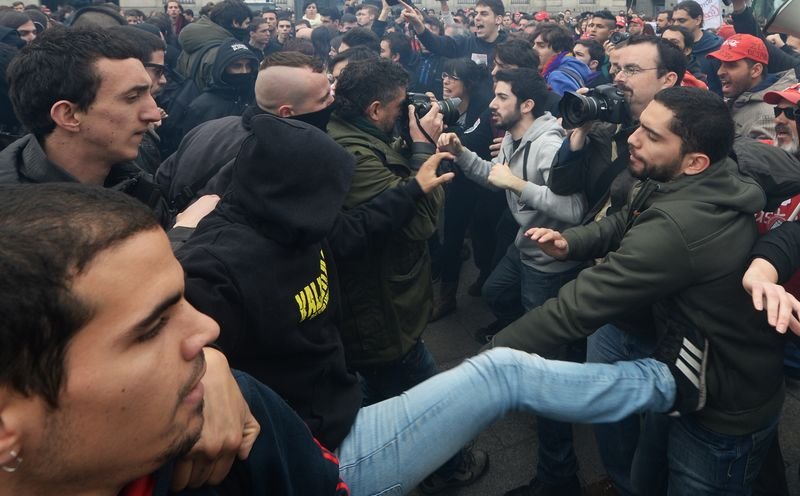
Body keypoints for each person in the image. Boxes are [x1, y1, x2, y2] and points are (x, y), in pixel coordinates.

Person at [0, 181, 697, 496]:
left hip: (330, 427)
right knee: (501, 373)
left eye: (183, 301)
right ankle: (669, 384)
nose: (209, 332)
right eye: (153, 325)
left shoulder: (233, 402)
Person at [491, 86, 787, 495]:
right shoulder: (672, 177)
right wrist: (573, 242)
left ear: (696, 161)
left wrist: (485, 367)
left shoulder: (678, 226)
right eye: (640, 125)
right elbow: (624, 222)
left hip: (722, 415)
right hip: (684, 375)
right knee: (647, 474)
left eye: (652, 135)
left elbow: (577, 307)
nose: (632, 138)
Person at [438, 68, 586, 496]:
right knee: (495, 291)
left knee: (547, 375)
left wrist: (519, 184)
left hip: (547, 263)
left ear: (525, 104)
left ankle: (560, 477)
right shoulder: (516, 138)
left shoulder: (546, 144)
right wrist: (462, 152)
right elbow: (491, 175)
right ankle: (550, 343)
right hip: (522, 250)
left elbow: (575, 209)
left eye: (501, 97)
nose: (491, 103)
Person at [430, 57, 501, 321]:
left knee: (484, 232)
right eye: (444, 76)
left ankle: (484, 274)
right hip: (457, 182)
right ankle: (446, 297)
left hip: (483, 180)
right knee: (452, 235)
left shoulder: (484, 108)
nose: (446, 81)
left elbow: (470, 139)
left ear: (469, 84)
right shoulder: (443, 107)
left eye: (453, 77)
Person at [707, 33, 798, 142]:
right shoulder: (741, 96)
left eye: (731, 65)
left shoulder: (769, 116)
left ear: (755, 70)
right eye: (720, 64)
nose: (719, 72)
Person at [178, 38, 259, 138]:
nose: (244, 71)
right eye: (237, 66)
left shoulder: (258, 99)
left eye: (248, 66)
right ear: (223, 69)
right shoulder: (201, 107)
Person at [402, 0, 509, 68]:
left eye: (484, 14)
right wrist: (418, 24)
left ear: (498, 19)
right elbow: (436, 44)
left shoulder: (510, 46)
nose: (477, 18)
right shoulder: (464, 43)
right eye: (476, 14)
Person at [176, 0, 253, 91]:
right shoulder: (221, 52)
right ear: (235, 22)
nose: (248, 28)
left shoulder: (194, 40)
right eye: (247, 23)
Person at [671, 0, 723, 94]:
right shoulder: (669, 46)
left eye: (681, 20)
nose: (676, 25)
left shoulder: (717, 47)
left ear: (698, 20)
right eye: (673, 20)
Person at [531, 23, 591, 95]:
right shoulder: (572, 66)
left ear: (559, 50)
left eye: (541, 46)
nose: (533, 49)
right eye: (533, 44)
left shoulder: (558, 77)